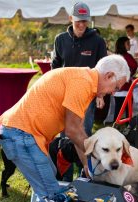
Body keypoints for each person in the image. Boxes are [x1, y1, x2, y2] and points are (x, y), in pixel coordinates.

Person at [0, 55, 130, 202]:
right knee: (53, 197)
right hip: (20, 134)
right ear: (109, 76)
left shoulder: (85, 80)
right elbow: (72, 130)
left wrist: (87, 164)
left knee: (52, 175)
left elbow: (77, 130)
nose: (113, 93)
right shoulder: (83, 83)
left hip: (23, 133)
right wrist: (100, 155)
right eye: (116, 87)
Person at [51, 2, 107, 181]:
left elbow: (102, 71)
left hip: (86, 97)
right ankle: (64, 177)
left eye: (84, 21)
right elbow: (55, 67)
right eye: (78, 21)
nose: (81, 25)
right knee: (66, 136)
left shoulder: (97, 41)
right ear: (70, 19)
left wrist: (100, 95)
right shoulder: (60, 40)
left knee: (84, 135)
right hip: (65, 96)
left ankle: (84, 176)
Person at [113, 37, 138, 120]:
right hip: (124, 88)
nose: (129, 45)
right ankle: (126, 126)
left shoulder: (116, 56)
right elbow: (134, 66)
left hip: (120, 87)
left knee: (120, 109)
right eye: (127, 43)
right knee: (125, 109)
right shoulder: (125, 56)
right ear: (122, 45)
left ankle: (117, 126)